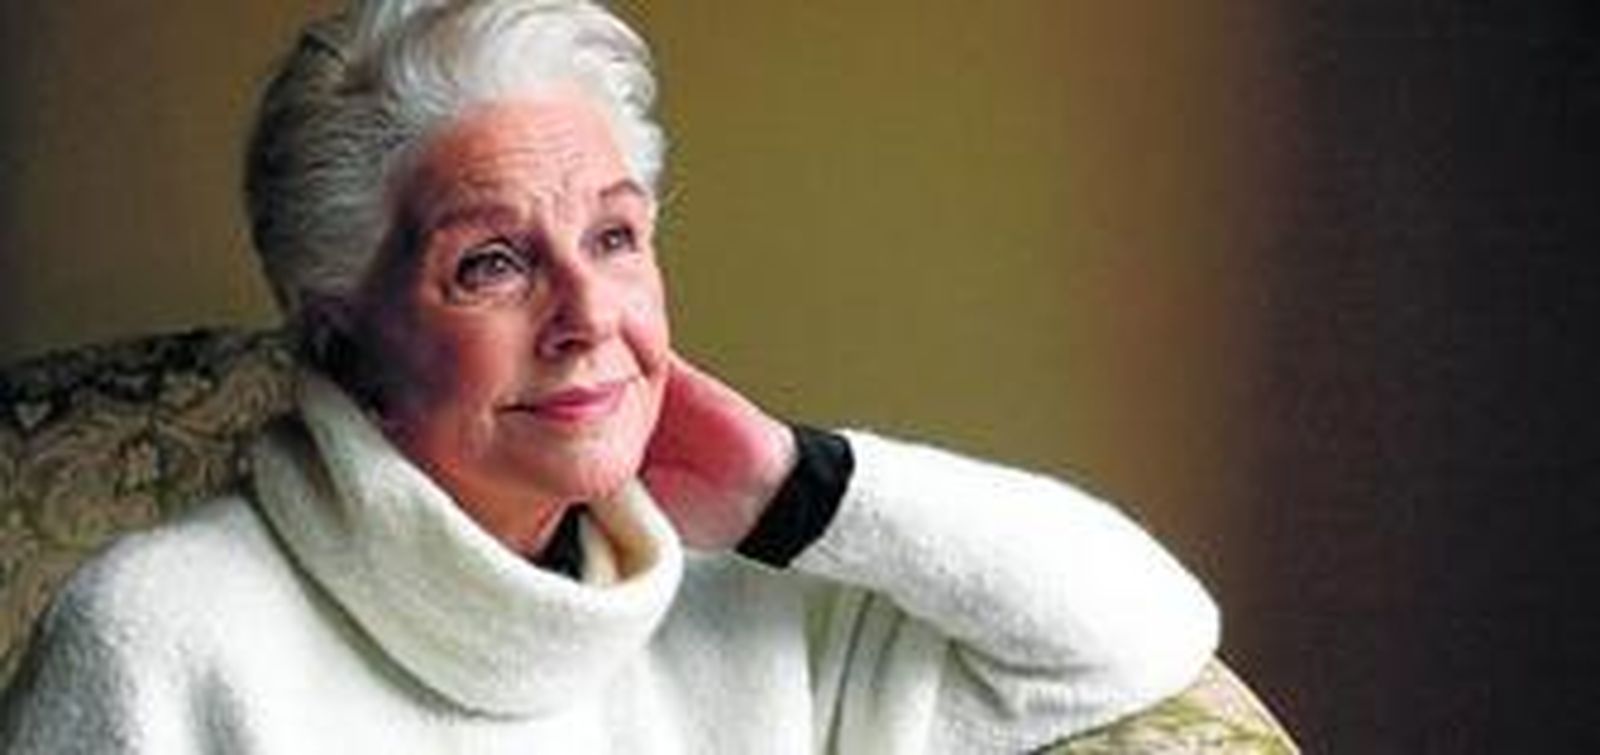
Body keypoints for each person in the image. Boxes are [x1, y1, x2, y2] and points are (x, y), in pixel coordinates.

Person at [0, 1, 1219, 752]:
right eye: (491, 262)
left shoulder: (741, 599)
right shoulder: (167, 636)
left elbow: (1137, 634)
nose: (587, 314)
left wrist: (794, 488)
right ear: (340, 342)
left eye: (615, 236)